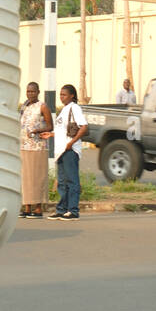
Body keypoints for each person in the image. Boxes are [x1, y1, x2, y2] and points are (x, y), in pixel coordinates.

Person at [47, 84, 88, 221]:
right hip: (61, 151)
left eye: (64, 94)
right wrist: (51, 134)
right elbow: (62, 131)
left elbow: (83, 128)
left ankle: (73, 210)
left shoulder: (75, 108)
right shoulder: (64, 110)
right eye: (60, 94)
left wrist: (71, 142)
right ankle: (61, 209)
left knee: (72, 181)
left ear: (72, 95)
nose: (61, 97)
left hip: (70, 150)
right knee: (63, 182)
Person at [18, 82, 53, 217]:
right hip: (24, 146)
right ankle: (27, 207)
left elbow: (50, 126)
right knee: (26, 178)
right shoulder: (24, 106)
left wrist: (38, 130)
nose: (30, 94)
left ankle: (38, 208)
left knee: (37, 178)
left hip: (37, 147)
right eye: (28, 91)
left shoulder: (42, 107)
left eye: (33, 91)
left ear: (38, 92)